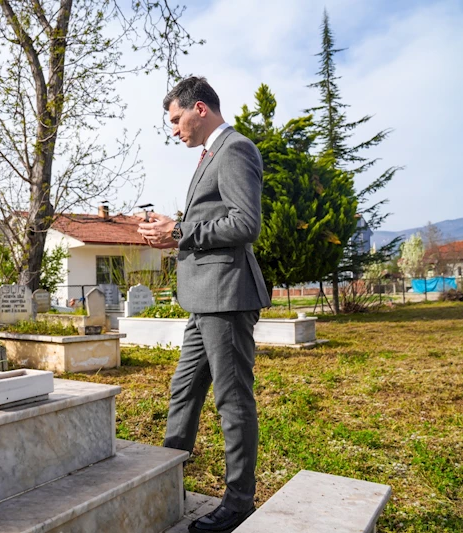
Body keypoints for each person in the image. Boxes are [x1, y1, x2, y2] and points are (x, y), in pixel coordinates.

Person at [137, 76, 271, 533]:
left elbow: (245, 224)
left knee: (232, 400)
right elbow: (209, 221)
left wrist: (179, 232)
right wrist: (170, 231)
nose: (174, 130)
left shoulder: (235, 149)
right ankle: (166, 481)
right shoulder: (210, 155)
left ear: (199, 108)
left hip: (226, 296)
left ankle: (238, 502)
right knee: (184, 391)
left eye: (176, 120)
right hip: (203, 298)